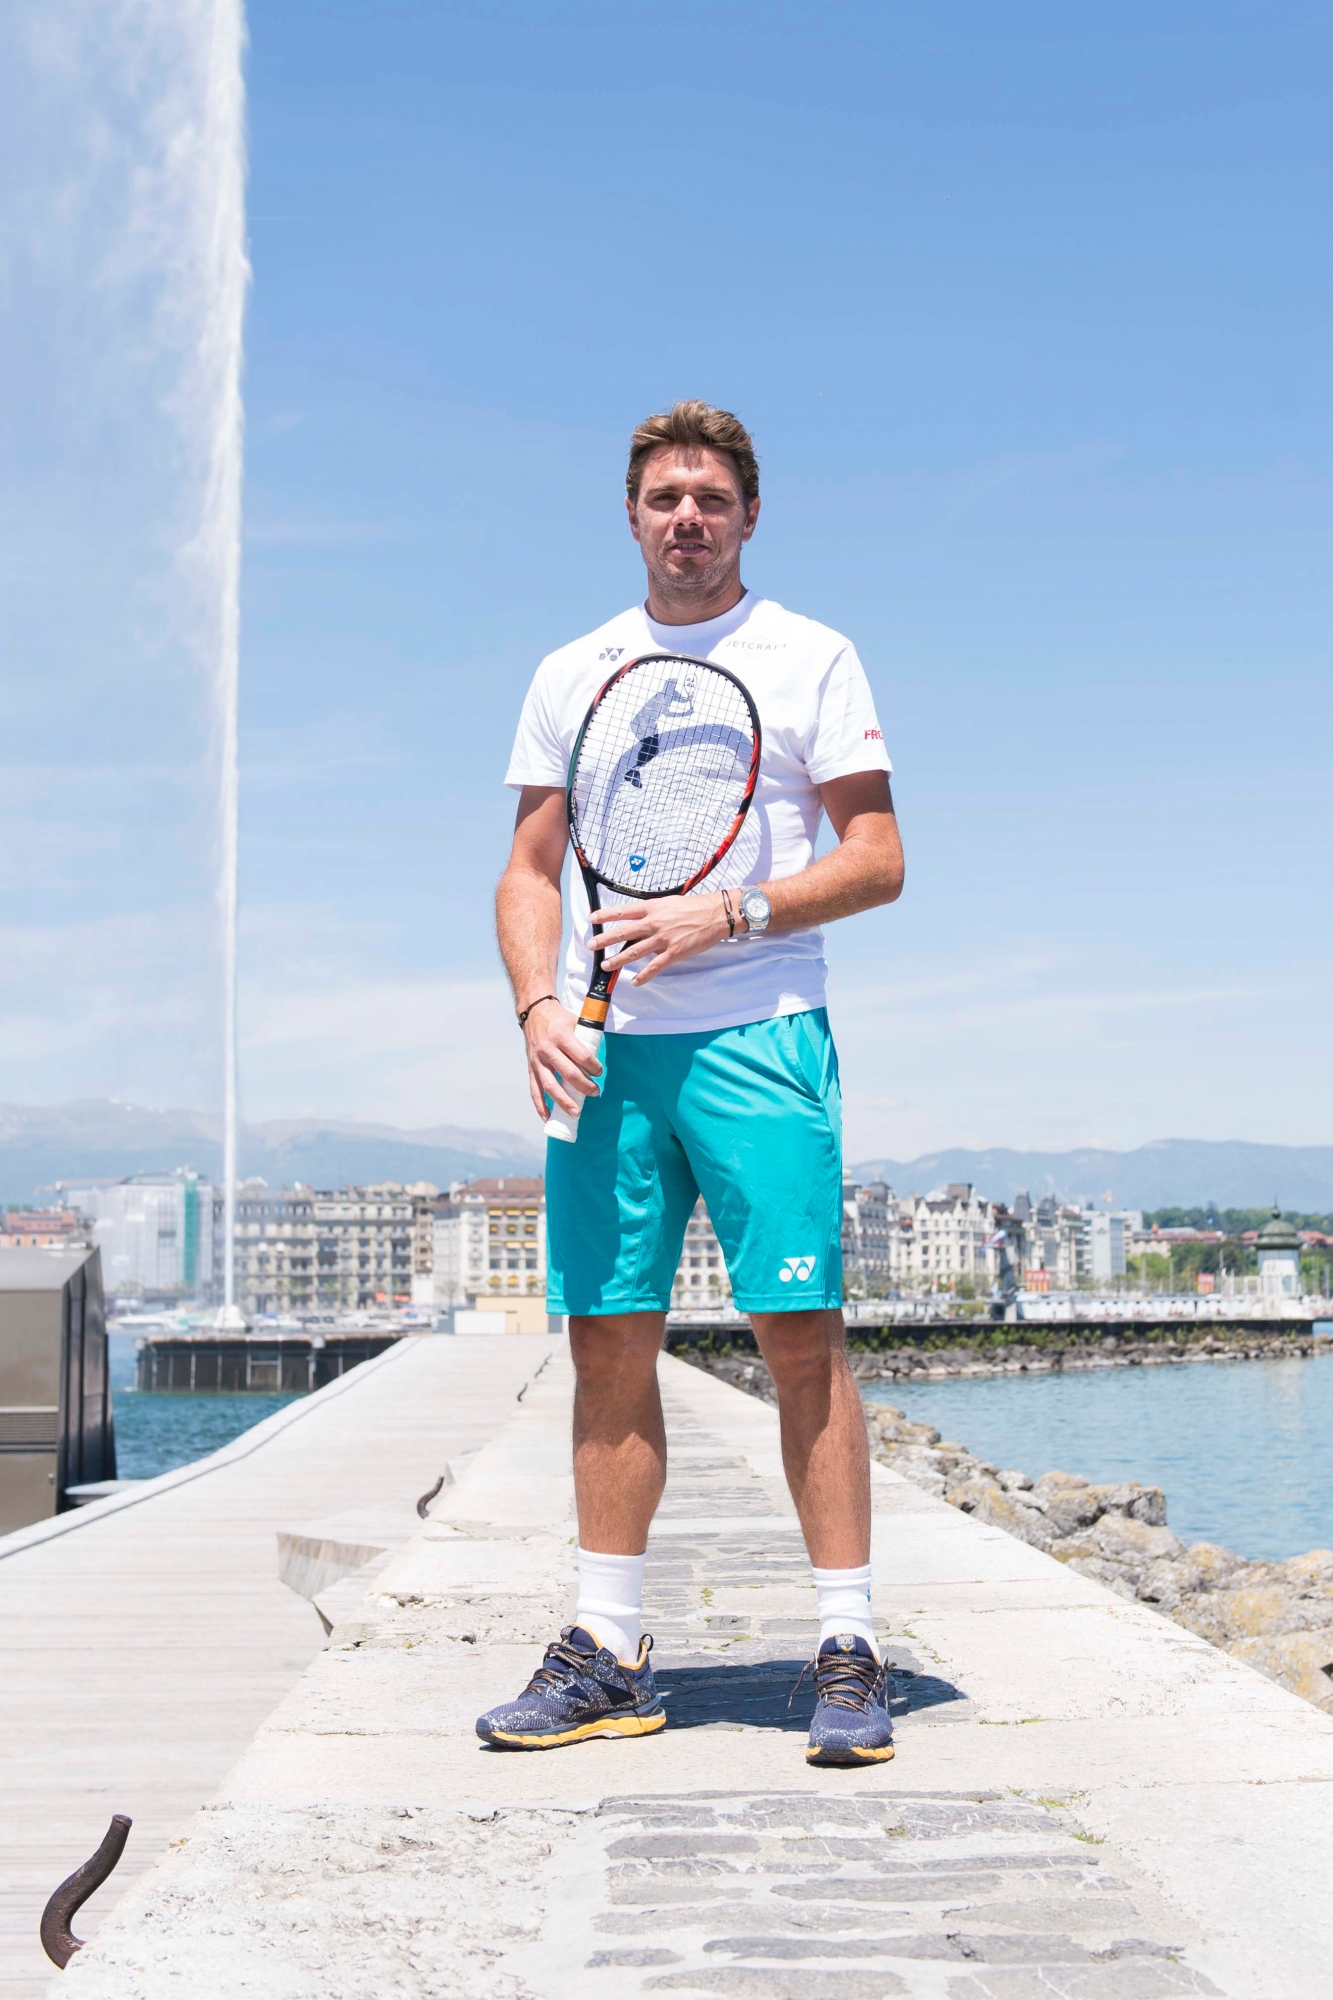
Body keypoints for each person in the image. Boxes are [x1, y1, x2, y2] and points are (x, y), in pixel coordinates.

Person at [480, 401, 904, 1765]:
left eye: (709, 498)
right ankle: (606, 1649)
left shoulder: (809, 656)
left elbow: (878, 856)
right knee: (607, 1339)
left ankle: (845, 1645)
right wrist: (537, 1002)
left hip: (760, 1034)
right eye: (663, 497)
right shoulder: (570, 670)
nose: (686, 518)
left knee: (801, 1338)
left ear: (747, 516)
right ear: (630, 515)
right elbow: (528, 870)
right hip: (604, 1061)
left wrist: (730, 913)